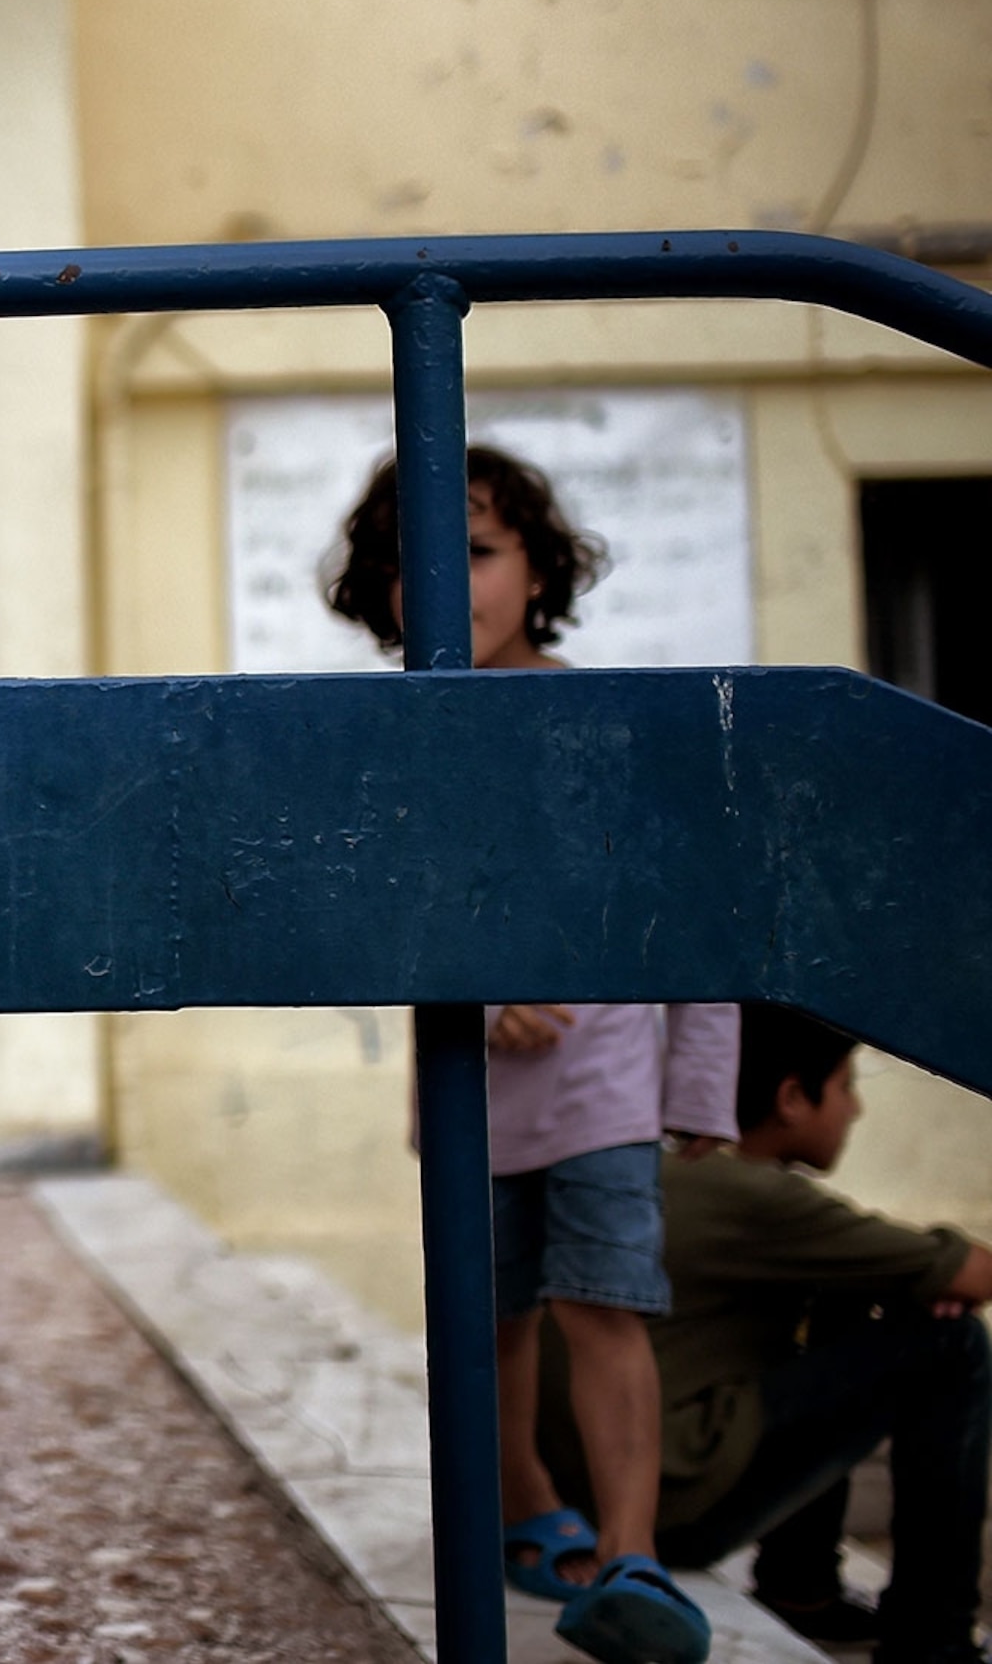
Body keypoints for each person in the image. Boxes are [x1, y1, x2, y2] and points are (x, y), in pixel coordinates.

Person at [330, 446, 739, 1664]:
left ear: (541, 568)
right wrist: (465, 984)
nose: (442, 581)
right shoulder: (388, 739)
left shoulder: (594, 717)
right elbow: (369, 903)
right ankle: (522, 1508)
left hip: (605, 1077)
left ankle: (632, 1553)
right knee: (488, 1317)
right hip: (469, 1090)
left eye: (480, 549)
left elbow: (690, 911)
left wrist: (700, 1081)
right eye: (409, 559)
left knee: (602, 1307)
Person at [634, 1008, 989, 1664]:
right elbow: (975, 1273)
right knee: (953, 1346)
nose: (854, 1110)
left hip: (607, 1498)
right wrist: (925, 1273)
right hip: (668, 1511)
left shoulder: (668, 1164)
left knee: (848, 1287)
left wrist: (897, 1277)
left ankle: (801, 1588)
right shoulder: (751, 1194)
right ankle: (933, 1640)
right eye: (847, 1085)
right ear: (792, 1097)